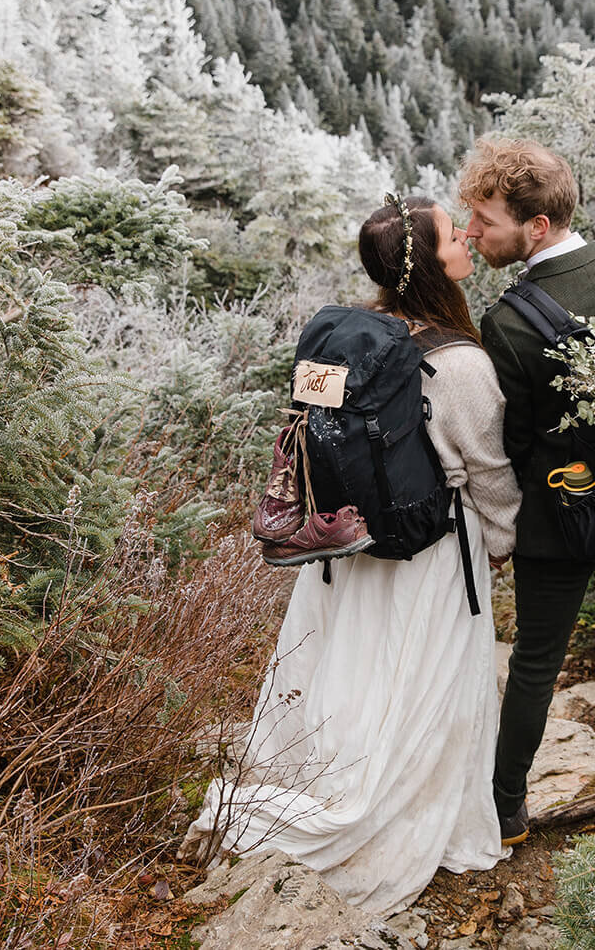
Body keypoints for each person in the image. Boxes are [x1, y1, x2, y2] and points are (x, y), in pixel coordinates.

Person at [181, 196, 522, 915]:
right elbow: (488, 471)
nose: (466, 237)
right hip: (429, 554)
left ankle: (311, 781)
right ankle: (395, 814)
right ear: (432, 261)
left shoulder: (347, 341)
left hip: (348, 542)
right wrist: (502, 543)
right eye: (451, 234)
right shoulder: (460, 362)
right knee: (419, 688)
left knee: (349, 673)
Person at [459, 137, 595, 847]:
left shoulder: (510, 323)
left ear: (537, 227)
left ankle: (506, 810)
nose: (474, 232)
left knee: (536, 659)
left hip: (560, 512)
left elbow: (513, 441)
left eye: (485, 219)